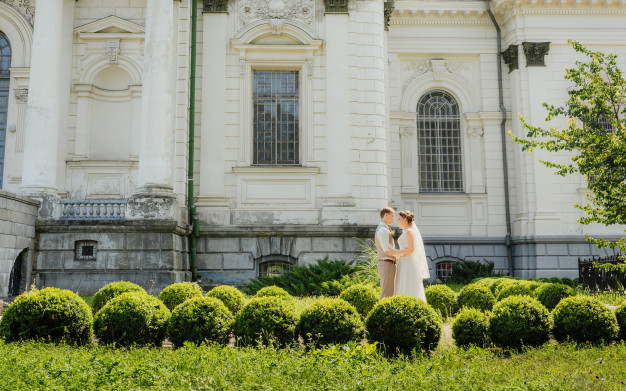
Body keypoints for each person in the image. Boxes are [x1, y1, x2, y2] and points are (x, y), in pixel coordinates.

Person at [386, 210, 429, 302]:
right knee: (403, 282)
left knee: (408, 283)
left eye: (399, 219)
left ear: (405, 219)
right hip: (403, 261)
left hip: (409, 262)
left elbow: (411, 249)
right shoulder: (406, 232)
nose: (397, 220)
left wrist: (395, 252)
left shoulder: (409, 232)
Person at [375, 206, 396, 299]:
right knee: (386, 294)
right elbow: (387, 250)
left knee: (390, 292)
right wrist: (402, 254)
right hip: (386, 263)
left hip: (388, 264)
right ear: (386, 215)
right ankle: (381, 312)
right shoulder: (382, 230)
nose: (393, 218)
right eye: (392, 216)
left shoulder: (385, 229)